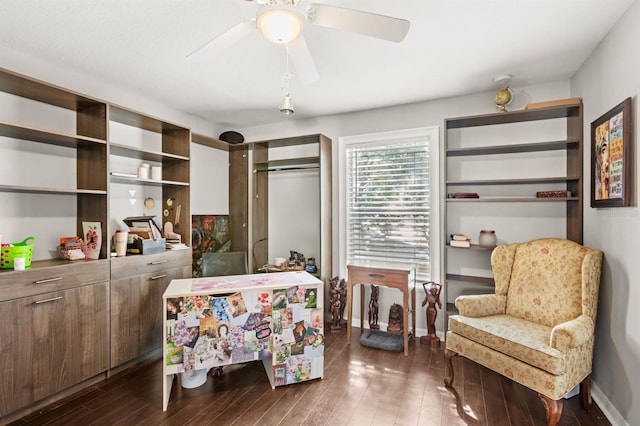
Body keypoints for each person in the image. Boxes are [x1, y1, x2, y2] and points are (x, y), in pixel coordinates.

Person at [421, 282, 442, 346]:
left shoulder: (437, 296)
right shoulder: (428, 295)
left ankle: (434, 334)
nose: (434, 291)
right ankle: (429, 334)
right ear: (431, 290)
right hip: (428, 310)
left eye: (435, 290)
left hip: (433, 310)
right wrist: (429, 282)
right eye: (433, 290)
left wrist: (436, 284)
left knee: (432, 323)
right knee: (428, 322)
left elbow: (441, 286)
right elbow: (423, 285)